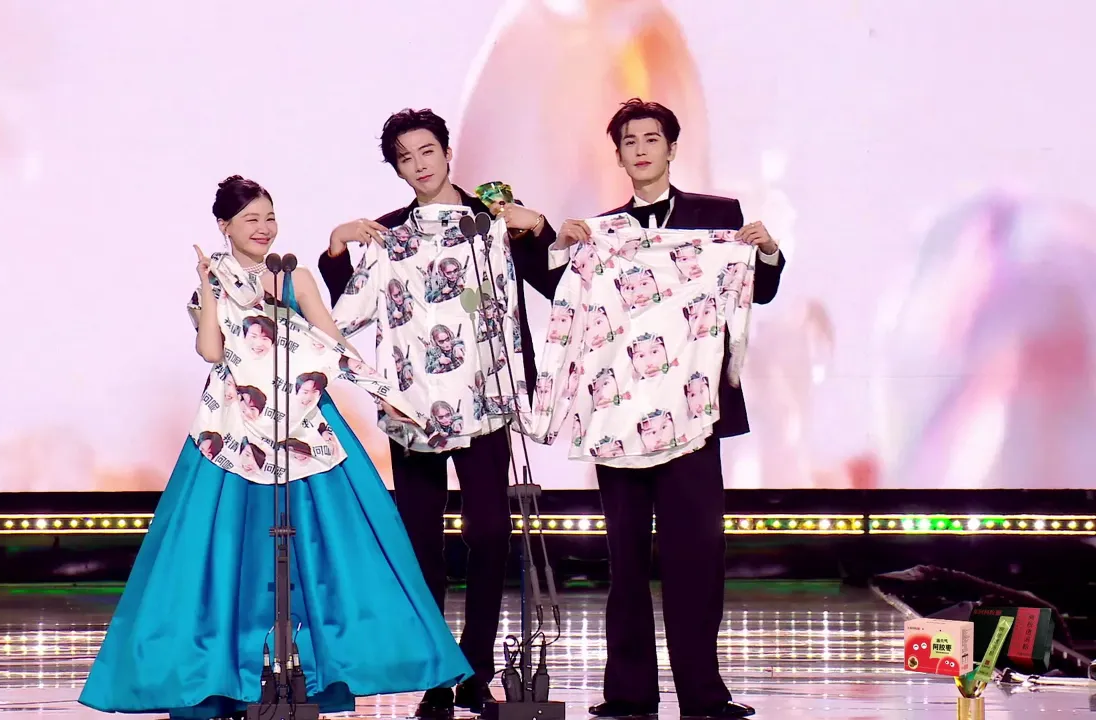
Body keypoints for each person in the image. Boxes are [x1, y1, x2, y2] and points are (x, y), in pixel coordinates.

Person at [79, 176, 471, 719]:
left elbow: (334, 342)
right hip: (232, 434)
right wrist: (208, 288)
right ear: (224, 226)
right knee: (226, 556)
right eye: (250, 220)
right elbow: (210, 350)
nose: (263, 228)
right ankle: (225, 676)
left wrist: (387, 393)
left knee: (327, 554)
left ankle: (312, 672)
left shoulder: (296, 277)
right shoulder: (214, 282)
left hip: (303, 427)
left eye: (269, 217)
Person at [318, 109, 565, 719]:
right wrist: (337, 248)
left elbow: (556, 280)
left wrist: (537, 228)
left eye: (427, 151)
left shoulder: (494, 219)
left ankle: (476, 669)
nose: (419, 165)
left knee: (491, 532)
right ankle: (436, 673)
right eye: (405, 158)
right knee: (420, 542)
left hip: (486, 400)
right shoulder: (389, 236)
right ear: (397, 169)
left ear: (448, 152)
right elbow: (346, 312)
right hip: (414, 409)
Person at [552, 99, 785, 720]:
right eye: (629, 141)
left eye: (651, 138)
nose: (641, 149)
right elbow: (562, 291)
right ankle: (628, 693)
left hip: (693, 414)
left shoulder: (717, 216)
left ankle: (703, 694)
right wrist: (557, 245)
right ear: (619, 155)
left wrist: (765, 252)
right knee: (625, 558)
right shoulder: (602, 233)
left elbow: (756, 289)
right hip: (619, 415)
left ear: (671, 147)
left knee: (696, 556)